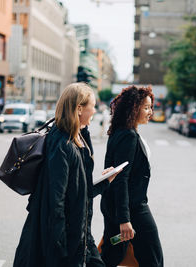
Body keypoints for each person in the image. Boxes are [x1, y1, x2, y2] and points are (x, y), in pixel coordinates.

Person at [14, 83, 120, 267]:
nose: (95, 111)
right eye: (92, 106)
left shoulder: (78, 139)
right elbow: (57, 199)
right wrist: (60, 246)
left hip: (80, 232)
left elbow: (78, 192)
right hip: (65, 237)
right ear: (79, 108)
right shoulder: (62, 143)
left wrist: (106, 181)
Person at [100, 85, 164, 267]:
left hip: (118, 207)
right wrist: (124, 220)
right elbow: (121, 179)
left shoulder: (120, 132)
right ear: (133, 108)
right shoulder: (128, 136)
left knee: (112, 256)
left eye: (151, 107)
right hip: (133, 209)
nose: (150, 112)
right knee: (153, 259)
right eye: (146, 107)